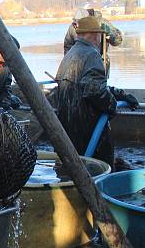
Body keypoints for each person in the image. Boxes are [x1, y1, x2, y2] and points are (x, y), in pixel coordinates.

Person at [51, 15, 138, 168]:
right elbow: (94, 92)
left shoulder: (70, 54)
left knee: (71, 169)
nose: (100, 39)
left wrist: (120, 94)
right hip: (88, 128)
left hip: (68, 128)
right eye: (100, 35)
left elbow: (85, 84)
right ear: (95, 35)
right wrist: (112, 106)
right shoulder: (91, 55)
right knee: (100, 168)